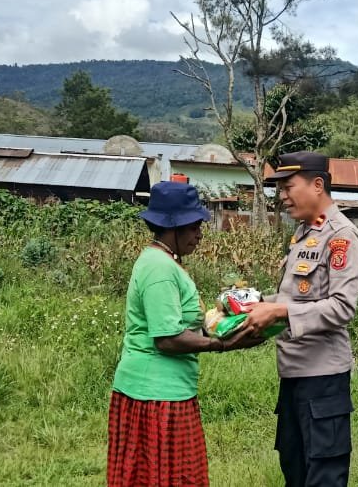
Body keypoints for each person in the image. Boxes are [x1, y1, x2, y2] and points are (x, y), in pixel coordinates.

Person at [108, 181, 263, 487]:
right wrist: (222, 345)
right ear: (172, 227)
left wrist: (228, 321)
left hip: (168, 390)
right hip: (155, 395)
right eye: (193, 227)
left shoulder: (167, 262)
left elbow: (183, 321)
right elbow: (167, 339)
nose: (199, 234)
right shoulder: (159, 269)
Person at [245, 151, 358, 487]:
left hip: (323, 380)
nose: (282, 196)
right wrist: (255, 305)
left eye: (288, 187)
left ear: (317, 185)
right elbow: (296, 298)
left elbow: (342, 307)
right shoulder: (303, 234)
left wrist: (279, 311)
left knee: (323, 474)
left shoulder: (341, 236)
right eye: (279, 189)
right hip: (293, 374)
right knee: (294, 466)